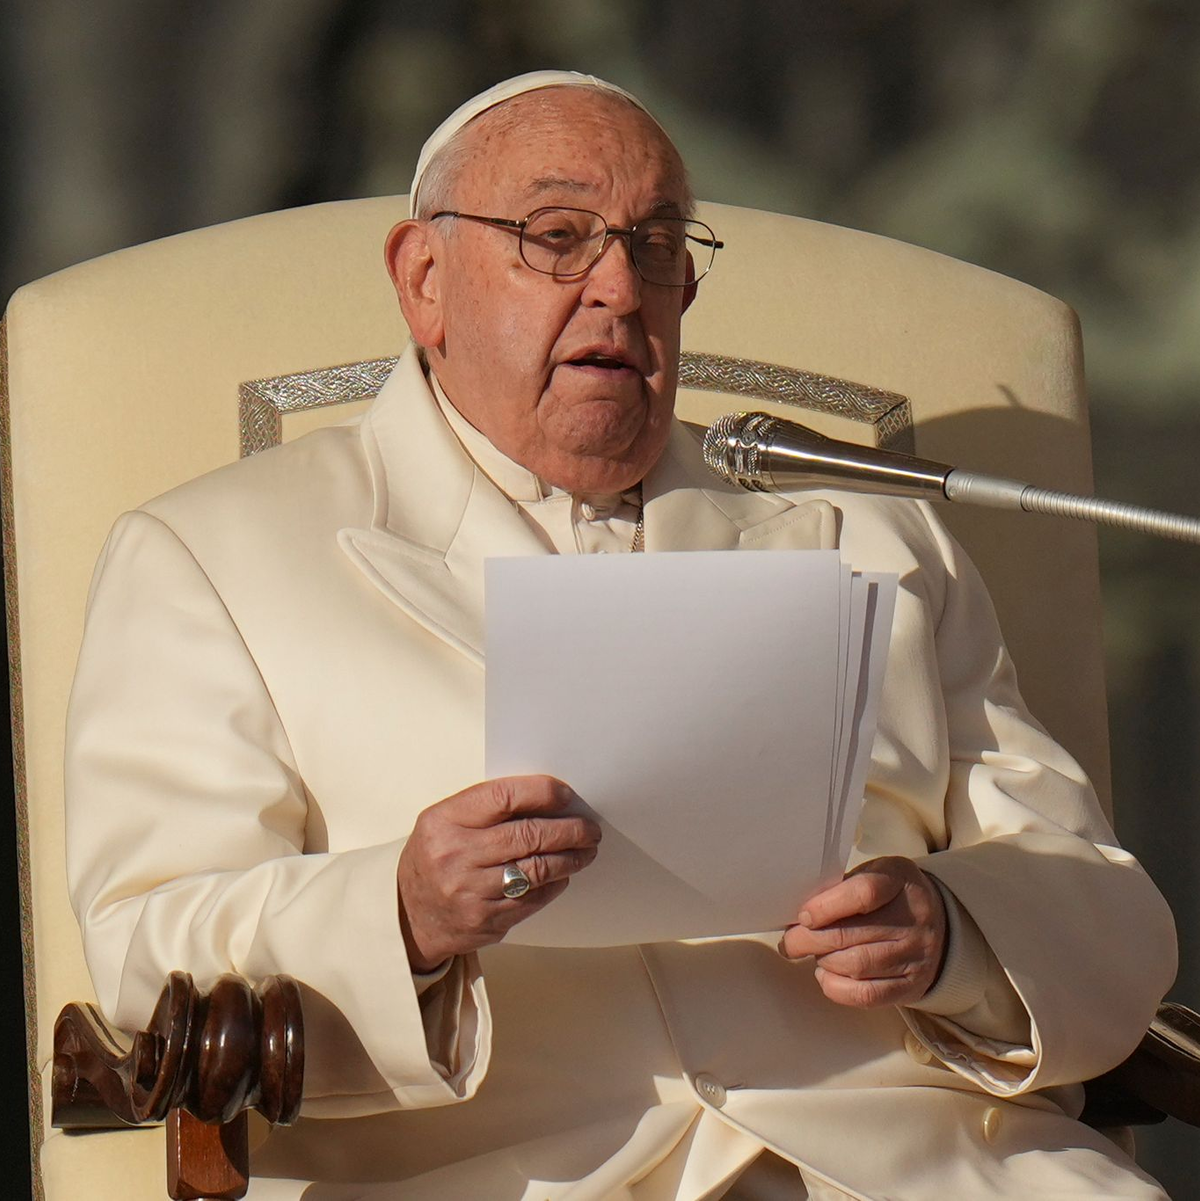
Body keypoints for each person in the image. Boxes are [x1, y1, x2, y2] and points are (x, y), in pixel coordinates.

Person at [65, 71, 1177, 1199]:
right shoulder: (213, 554)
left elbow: (1101, 908)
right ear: (424, 280)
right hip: (500, 1171)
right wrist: (401, 909)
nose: (616, 286)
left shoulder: (871, 538)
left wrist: (951, 934)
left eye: (655, 248)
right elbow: (146, 947)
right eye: (557, 237)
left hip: (914, 1166)